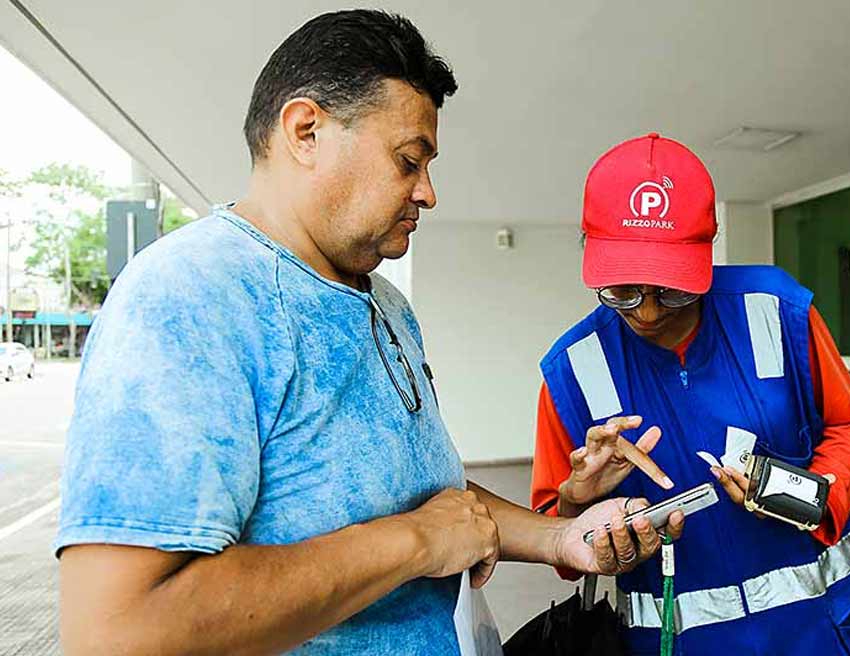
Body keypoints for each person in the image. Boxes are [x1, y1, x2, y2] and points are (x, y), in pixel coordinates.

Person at [54, 11, 681, 655]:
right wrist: (414, 543)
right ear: (306, 131)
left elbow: (434, 500)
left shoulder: (385, 302)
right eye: (408, 161)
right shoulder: (190, 297)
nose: (428, 193)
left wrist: (560, 537)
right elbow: (119, 631)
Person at [530, 133, 850, 655]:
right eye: (623, 292)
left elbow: (846, 424)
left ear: (704, 254)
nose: (649, 313)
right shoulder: (571, 370)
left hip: (826, 631)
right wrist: (576, 501)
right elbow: (557, 538)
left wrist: (803, 497)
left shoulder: (776, 309)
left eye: (672, 289)